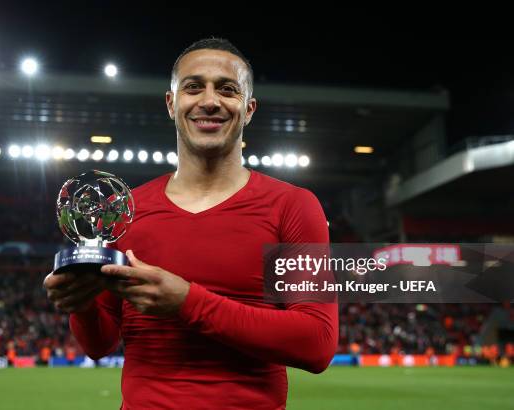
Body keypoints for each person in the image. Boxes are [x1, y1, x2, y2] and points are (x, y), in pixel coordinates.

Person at [44, 38, 338, 409]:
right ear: (171, 103)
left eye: (227, 89)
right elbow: (98, 344)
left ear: (248, 109)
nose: (210, 100)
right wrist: (80, 302)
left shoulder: (293, 206)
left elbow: (317, 343)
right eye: (193, 86)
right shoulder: (126, 210)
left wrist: (187, 303)